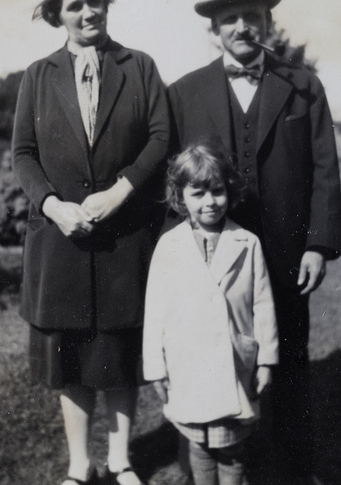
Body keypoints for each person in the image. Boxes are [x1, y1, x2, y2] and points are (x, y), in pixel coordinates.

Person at [168, 0, 341, 484]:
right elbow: (173, 180)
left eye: (252, 16)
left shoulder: (303, 85)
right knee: (210, 353)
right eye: (231, 18)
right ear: (215, 28)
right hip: (213, 256)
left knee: (288, 355)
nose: (242, 26)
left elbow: (325, 168)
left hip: (288, 251)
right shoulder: (184, 92)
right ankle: (203, 464)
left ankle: (293, 468)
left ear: (267, 21)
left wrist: (318, 245)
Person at [11, 0, 170, 485]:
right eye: (75, 4)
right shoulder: (37, 76)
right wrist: (54, 206)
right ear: (56, 13)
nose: (88, 12)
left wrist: (122, 190)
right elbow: (23, 153)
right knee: (72, 355)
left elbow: (159, 137)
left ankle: (122, 460)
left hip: (125, 237)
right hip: (61, 242)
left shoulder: (139, 67)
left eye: (95, 1)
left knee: (121, 349)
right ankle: (80, 465)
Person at [143, 143, 279, 485]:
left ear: (229, 191)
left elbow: (262, 303)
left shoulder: (246, 242)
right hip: (188, 364)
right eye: (198, 193)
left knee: (232, 449)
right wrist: (156, 367)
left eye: (217, 191)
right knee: (198, 446)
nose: (209, 202)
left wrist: (265, 360)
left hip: (234, 363)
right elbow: (156, 309)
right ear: (180, 196)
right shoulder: (170, 246)